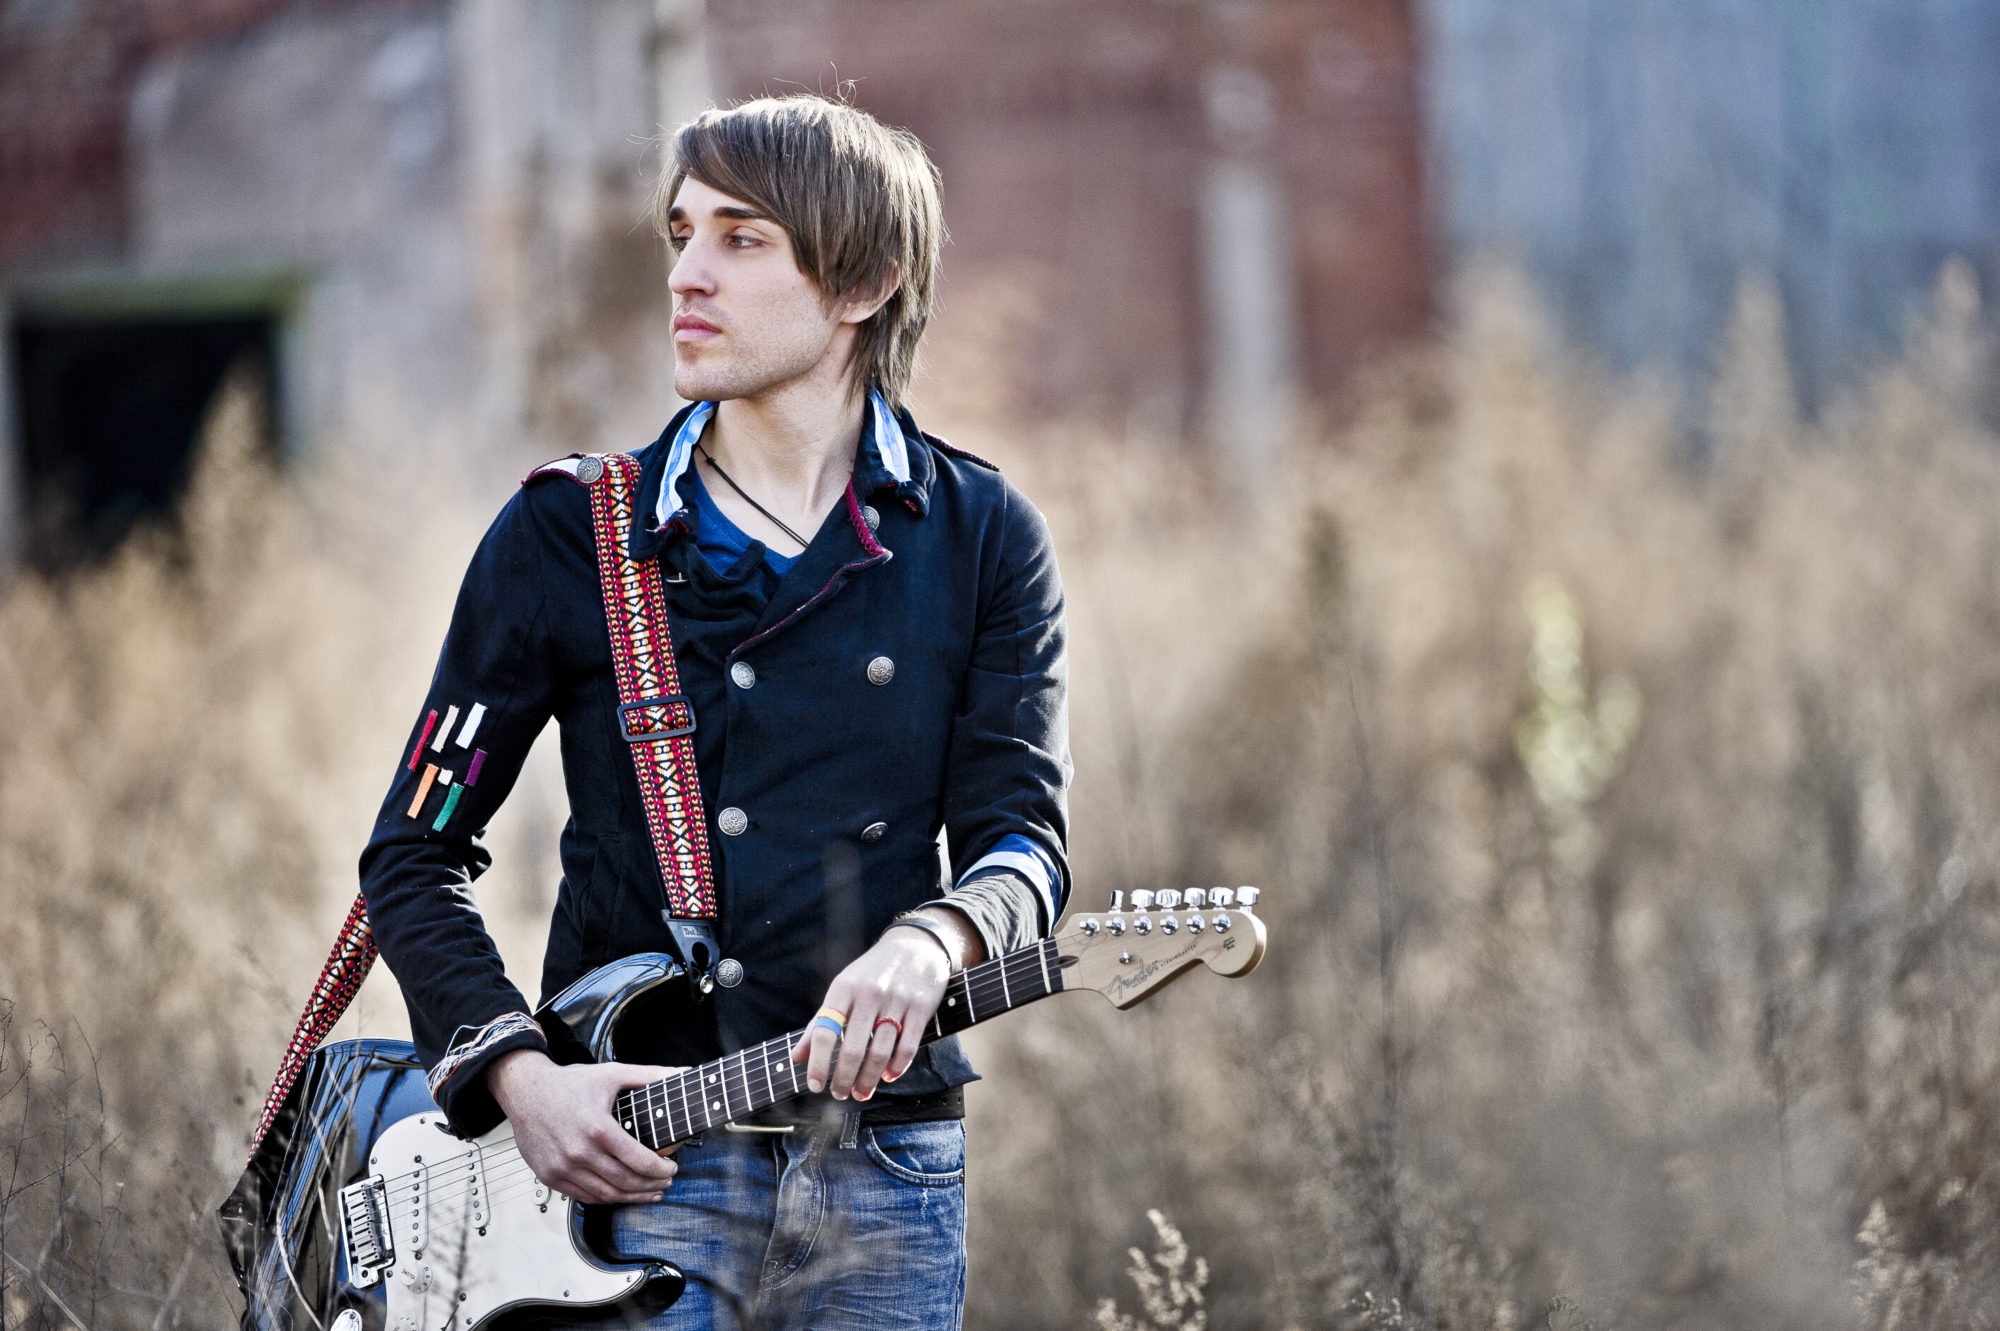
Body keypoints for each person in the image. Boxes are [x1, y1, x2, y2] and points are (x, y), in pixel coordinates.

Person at [357, 94, 1070, 1329]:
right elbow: (411, 852)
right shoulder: (567, 536)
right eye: (679, 233)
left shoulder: (981, 538)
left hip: (890, 1176)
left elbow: (1023, 845)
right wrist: (520, 1077)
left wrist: (935, 939)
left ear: (860, 282)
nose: (686, 273)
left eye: (741, 239)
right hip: (627, 1178)